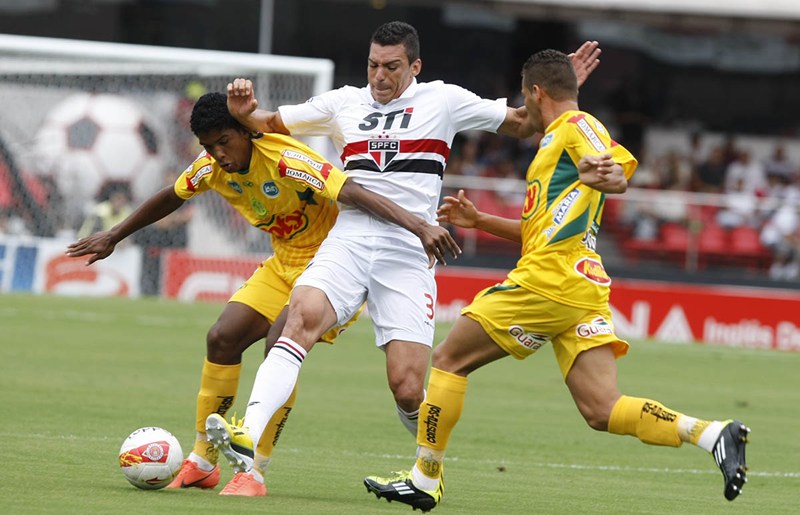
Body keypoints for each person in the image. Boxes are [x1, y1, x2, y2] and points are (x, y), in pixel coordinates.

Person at [205, 20, 603, 496]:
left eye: (391, 67)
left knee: (409, 386)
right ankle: (248, 439)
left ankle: (426, 473)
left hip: (409, 251)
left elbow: (522, 123)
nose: (379, 76)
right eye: (373, 65)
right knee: (299, 320)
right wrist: (246, 111)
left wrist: (563, 90)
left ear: (414, 66)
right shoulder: (342, 103)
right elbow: (269, 123)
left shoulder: (444, 100)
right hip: (349, 238)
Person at [362, 49, 750, 511]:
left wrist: (608, 174)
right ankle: (711, 435)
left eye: (524, 98)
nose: (523, 108)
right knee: (601, 409)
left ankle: (425, 478)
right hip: (580, 285)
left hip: (549, 278)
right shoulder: (551, 149)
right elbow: (537, 227)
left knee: (448, 359)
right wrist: (479, 219)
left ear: (536, 92)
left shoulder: (572, 127)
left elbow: (611, 164)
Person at [65, 92, 458, 492]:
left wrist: (419, 226)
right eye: (208, 146)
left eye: (224, 141)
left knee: (280, 343)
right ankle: (203, 460)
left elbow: (351, 191)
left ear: (246, 132)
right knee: (222, 337)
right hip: (283, 264)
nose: (217, 153)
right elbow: (171, 196)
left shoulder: (287, 160)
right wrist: (114, 235)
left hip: (333, 266)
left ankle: (254, 471)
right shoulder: (211, 168)